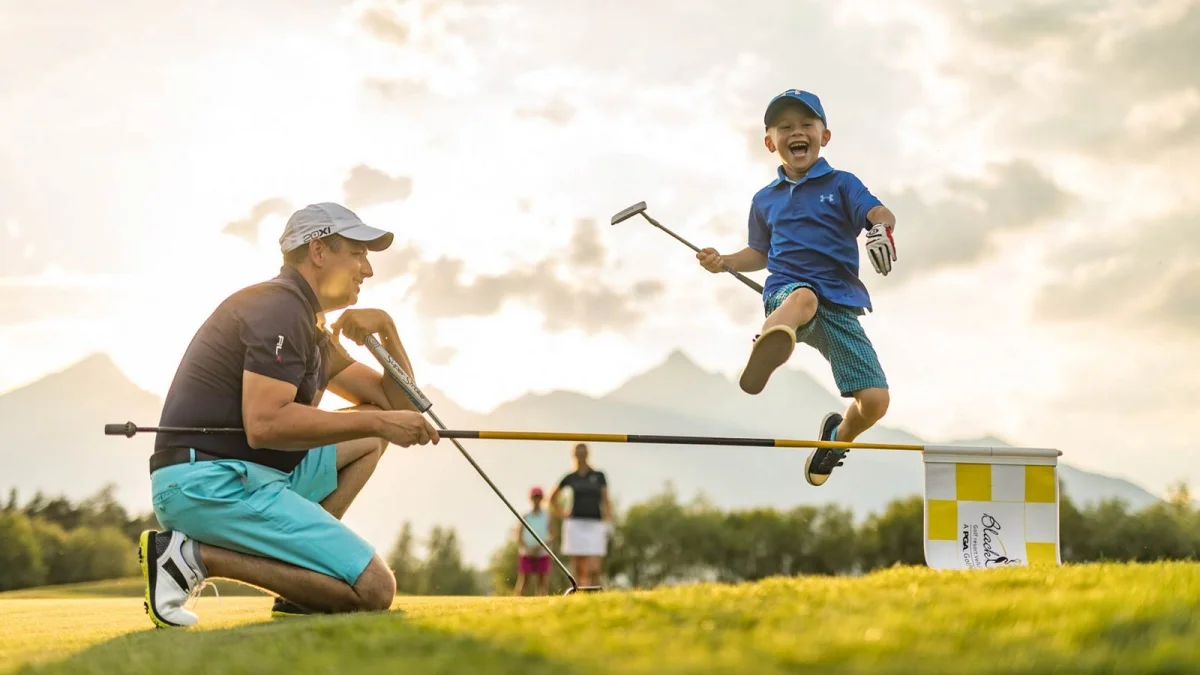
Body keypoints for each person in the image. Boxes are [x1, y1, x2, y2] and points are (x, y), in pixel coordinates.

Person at [139, 201, 441, 629]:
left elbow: (398, 405)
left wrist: (388, 331)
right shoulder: (280, 308)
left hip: (247, 475)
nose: (368, 270)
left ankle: (304, 588)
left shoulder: (309, 326)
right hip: (206, 482)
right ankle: (193, 557)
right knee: (375, 590)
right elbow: (265, 424)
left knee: (369, 438)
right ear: (318, 251)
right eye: (357, 254)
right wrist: (379, 421)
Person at [696, 89, 898, 488]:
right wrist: (725, 262)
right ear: (770, 142)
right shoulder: (764, 200)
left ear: (825, 136)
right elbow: (759, 252)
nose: (797, 132)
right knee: (803, 298)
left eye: (807, 124)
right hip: (787, 293)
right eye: (785, 127)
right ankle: (769, 342)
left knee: (876, 402)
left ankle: (836, 440)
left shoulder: (842, 184)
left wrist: (880, 228)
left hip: (838, 301)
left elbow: (878, 211)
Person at [548, 443, 611, 588]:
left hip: (595, 523)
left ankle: (596, 594)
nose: (581, 456)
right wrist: (563, 513)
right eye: (578, 453)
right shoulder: (571, 477)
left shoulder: (599, 475)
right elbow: (552, 498)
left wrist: (608, 519)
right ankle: (578, 595)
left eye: (583, 453)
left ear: (588, 454)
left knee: (594, 567)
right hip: (575, 524)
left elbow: (605, 499)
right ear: (574, 455)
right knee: (578, 567)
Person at [512, 486, 553, 596]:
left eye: (538, 497)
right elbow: (519, 535)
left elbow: (552, 535)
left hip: (542, 552)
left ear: (542, 499)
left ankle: (543, 604)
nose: (536, 500)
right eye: (534, 497)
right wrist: (527, 549)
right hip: (526, 552)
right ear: (531, 499)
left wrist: (540, 546)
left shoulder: (547, 516)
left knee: (542, 582)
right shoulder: (526, 516)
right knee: (524, 580)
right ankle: (518, 601)